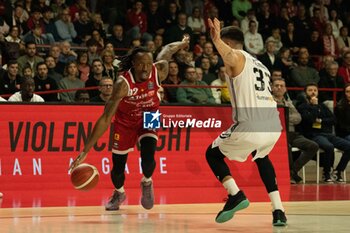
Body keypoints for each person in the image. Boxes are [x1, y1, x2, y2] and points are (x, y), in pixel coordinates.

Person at [69, 37, 190, 211]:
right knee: (118, 168)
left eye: (149, 64)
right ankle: (119, 193)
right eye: (141, 64)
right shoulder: (122, 84)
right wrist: (85, 150)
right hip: (125, 121)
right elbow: (105, 118)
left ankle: (147, 182)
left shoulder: (159, 71)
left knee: (148, 159)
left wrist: (182, 43)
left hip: (150, 115)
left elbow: (168, 48)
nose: (146, 68)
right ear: (133, 63)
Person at [206, 18, 287, 226]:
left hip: (252, 124)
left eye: (222, 46)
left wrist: (215, 39)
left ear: (229, 44)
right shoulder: (261, 64)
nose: (220, 52)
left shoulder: (237, 56)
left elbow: (230, 54)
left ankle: (235, 195)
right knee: (262, 158)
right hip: (273, 125)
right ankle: (279, 210)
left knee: (212, 154)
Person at [297, 83, 350, 183]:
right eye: (310, 90)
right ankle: (326, 173)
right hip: (313, 134)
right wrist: (314, 106)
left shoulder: (323, 106)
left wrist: (320, 120)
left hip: (327, 134)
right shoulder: (302, 106)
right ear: (305, 93)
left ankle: (338, 171)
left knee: (349, 146)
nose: (313, 92)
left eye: (315, 90)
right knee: (328, 146)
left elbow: (333, 120)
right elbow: (309, 120)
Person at [272, 78, 319, 184]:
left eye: (281, 86)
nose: (279, 88)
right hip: (278, 134)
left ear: (285, 89)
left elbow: (298, 118)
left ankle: (292, 171)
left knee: (313, 146)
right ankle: (288, 174)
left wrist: (285, 118)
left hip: (292, 133)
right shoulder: (269, 102)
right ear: (271, 88)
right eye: (276, 85)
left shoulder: (288, 102)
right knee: (286, 147)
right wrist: (287, 118)